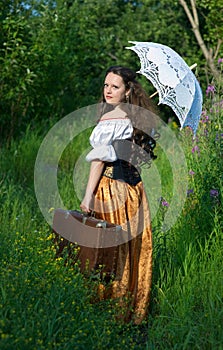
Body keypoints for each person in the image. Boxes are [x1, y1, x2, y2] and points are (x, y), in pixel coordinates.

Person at [79, 66, 158, 325]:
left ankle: (107, 312)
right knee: (131, 249)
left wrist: (88, 196)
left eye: (115, 86)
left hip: (112, 189)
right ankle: (131, 312)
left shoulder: (111, 119)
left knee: (109, 250)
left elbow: (99, 161)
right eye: (106, 85)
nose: (108, 91)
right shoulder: (138, 119)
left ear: (127, 91)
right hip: (135, 191)